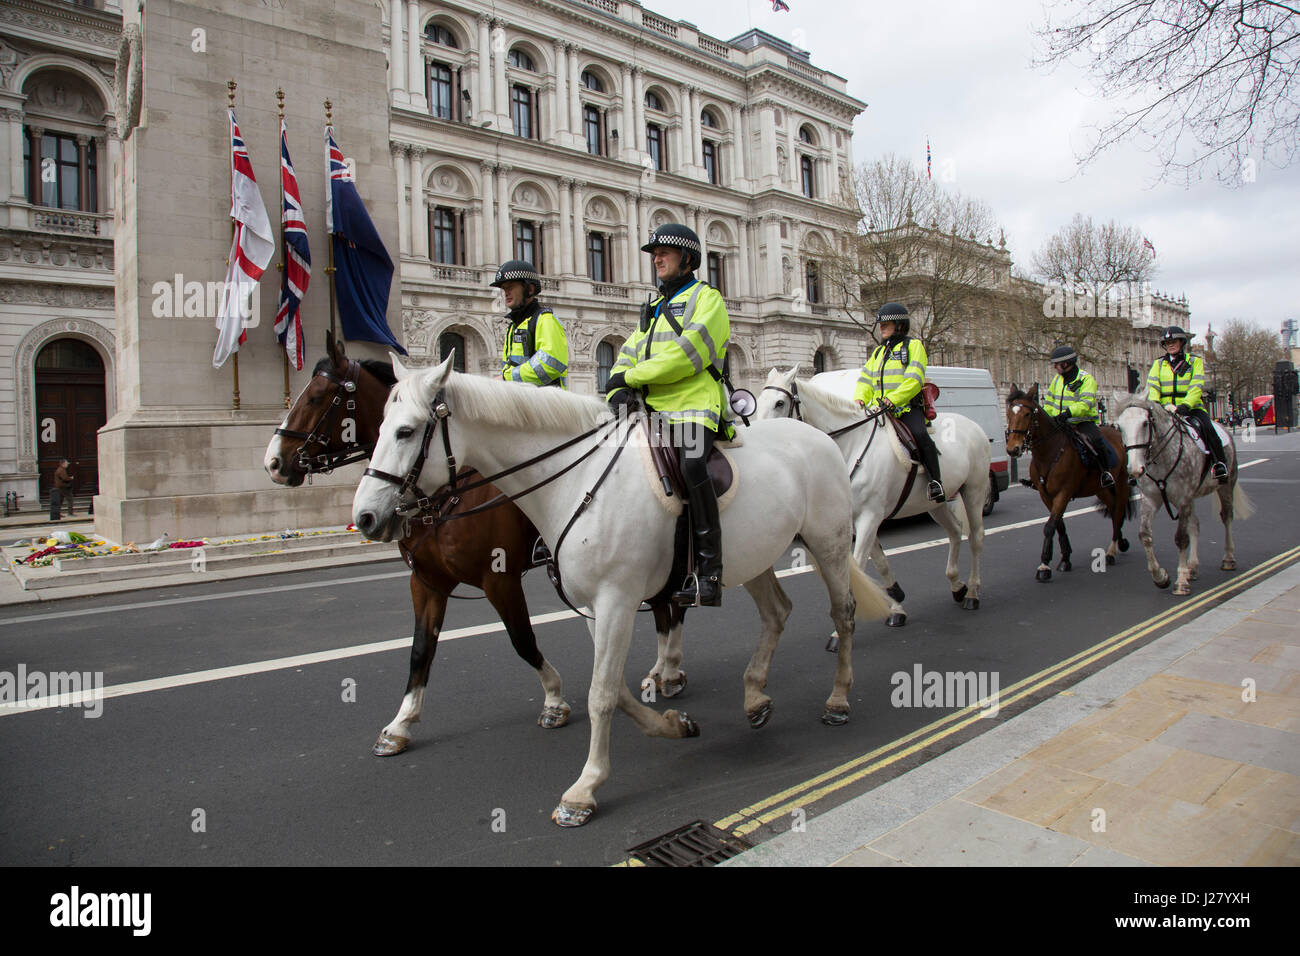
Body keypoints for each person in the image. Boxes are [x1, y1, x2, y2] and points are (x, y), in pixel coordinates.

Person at [604, 223, 730, 607]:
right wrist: (616, 385)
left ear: (687, 258)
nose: (656, 258)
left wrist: (634, 376)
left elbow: (689, 353)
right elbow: (630, 351)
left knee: (693, 466)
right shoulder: (654, 308)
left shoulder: (708, 299)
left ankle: (710, 571)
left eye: (665, 253)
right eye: (654, 253)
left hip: (695, 404)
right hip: (655, 410)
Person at [853, 302, 945, 502]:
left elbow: (913, 379)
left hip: (906, 409)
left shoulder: (914, 346)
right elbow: (866, 380)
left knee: (921, 436)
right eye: (881, 325)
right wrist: (860, 399)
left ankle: (935, 482)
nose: (882, 328)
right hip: (881, 410)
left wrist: (892, 399)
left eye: (887, 324)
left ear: (900, 325)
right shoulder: (878, 352)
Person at [1146, 326, 1228, 482]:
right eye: (1167, 342)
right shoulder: (1158, 364)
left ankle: (1219, 464)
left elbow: (1196, 386)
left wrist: (1185, 406)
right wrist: (1156, 404)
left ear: (1181, 342)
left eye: (1174, 341)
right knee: (1143, 433)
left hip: (1190, 409)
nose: (1170, 345)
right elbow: (1153, 386)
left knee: (1208, 429)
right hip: (1164, 409)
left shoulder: (1194, 361)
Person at [1042, 344, 1117, 489]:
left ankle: (1105, 473)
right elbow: (1049, 402)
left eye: (1056, 364)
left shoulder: (1086, 379)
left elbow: (1086, 403)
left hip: (1082, 422)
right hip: (1059, 423)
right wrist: (1048, 417)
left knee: (1096, 442)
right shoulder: (1057, 380)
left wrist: (1068, 413)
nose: (1054, 367)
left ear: (1066, 363)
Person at [491, 260, 568, 389]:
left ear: (530, 289)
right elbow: (508, 367)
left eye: (510, 287)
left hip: (546, 404)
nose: (506, 293)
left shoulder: (545, 319)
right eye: (504, 289)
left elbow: (551, 364)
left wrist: (506, 378)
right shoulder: (513, 327)